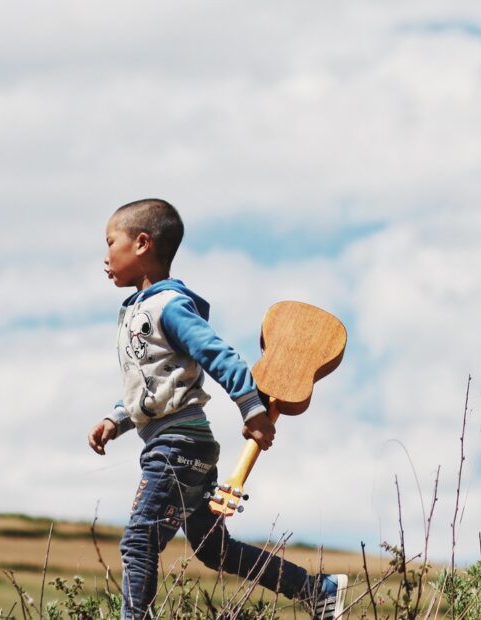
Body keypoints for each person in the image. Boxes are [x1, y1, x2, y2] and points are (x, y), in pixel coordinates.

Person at [87, 198, 347, 620]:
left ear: (141, 244)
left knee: (139, 539)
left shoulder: (167, 307)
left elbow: (218, 354)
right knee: (213, 548)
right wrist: (115, 420)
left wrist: (252, 410)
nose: (104, 256)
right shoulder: (139, 310)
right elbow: (149, 383)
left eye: (109, 242)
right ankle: (318, 589)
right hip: (183, 444)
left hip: (176, 445)